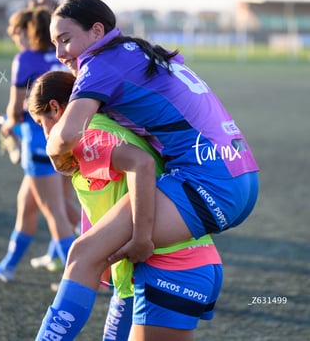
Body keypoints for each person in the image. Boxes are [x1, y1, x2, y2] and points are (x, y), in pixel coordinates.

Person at [33, 0, 260, 339]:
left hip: (209, 183)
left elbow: (64, 136)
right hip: (240, 174)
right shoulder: (134, 52)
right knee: (104, 255)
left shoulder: (100, 64)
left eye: (65, 40)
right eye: (54, 43)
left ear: (97, 31)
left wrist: (54, 152)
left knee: (84, 253)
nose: (60, 53)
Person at [29, 70, 223, 340]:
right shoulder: (111, 125)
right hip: (182, 263)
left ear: (55, 107)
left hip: (168, 266)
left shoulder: (87, 135)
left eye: (41, 123)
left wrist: (140, 238)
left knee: (80, 254)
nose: (45, 132)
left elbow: (140, 163)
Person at [0, 6, 80, 282]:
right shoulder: (65, 55)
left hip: (39, 142)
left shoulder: (25, 59)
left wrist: (7, 123)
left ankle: (79, 277)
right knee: (28, 205)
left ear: (28, 32)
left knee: (56, 213)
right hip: (68, 137)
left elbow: (15, 110)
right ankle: (8, 266)